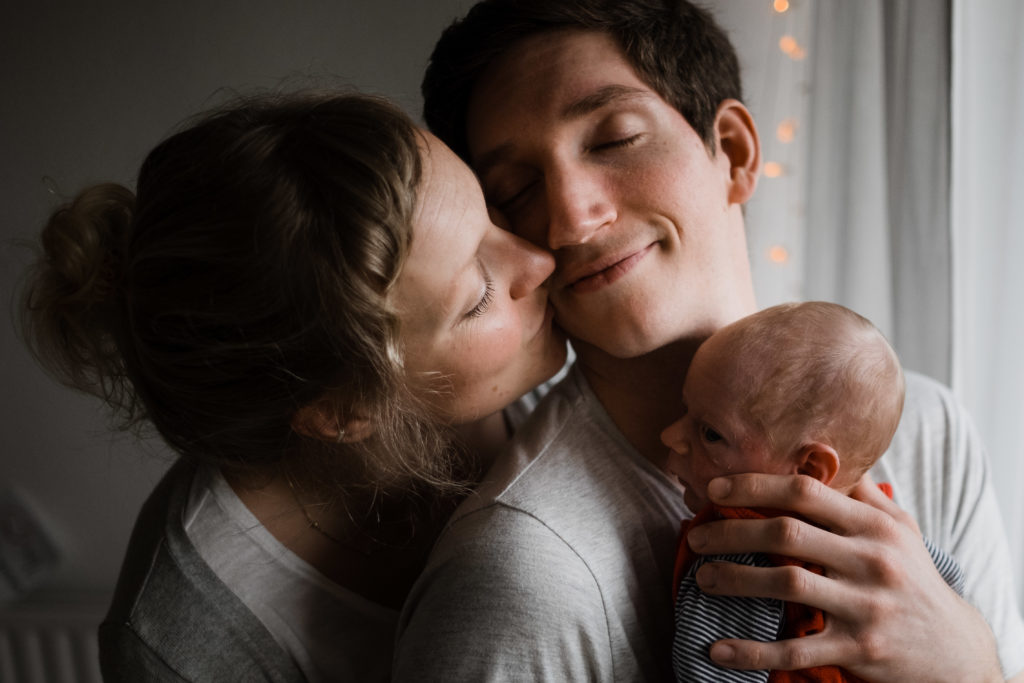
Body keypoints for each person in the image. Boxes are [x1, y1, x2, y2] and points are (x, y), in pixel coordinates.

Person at [395, 0, 1024, 680]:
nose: (572, 218)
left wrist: (969, 661)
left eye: (613, 140)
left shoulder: (933, 435)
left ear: (735, 151)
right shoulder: (519, 576)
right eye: (517, 189)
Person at [19, 91, 567, 681]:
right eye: (479, 295)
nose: (542, 257)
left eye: (493, 209)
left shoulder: (563, 354)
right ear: (343, 410)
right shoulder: (184, 645)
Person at [663, 301, 965, 682]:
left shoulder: (741, 556)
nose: (670, 436)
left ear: (808, 469)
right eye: (685, 409)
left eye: (710, 433)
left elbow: (712, 671)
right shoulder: (885, 533)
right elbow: (950, 589)